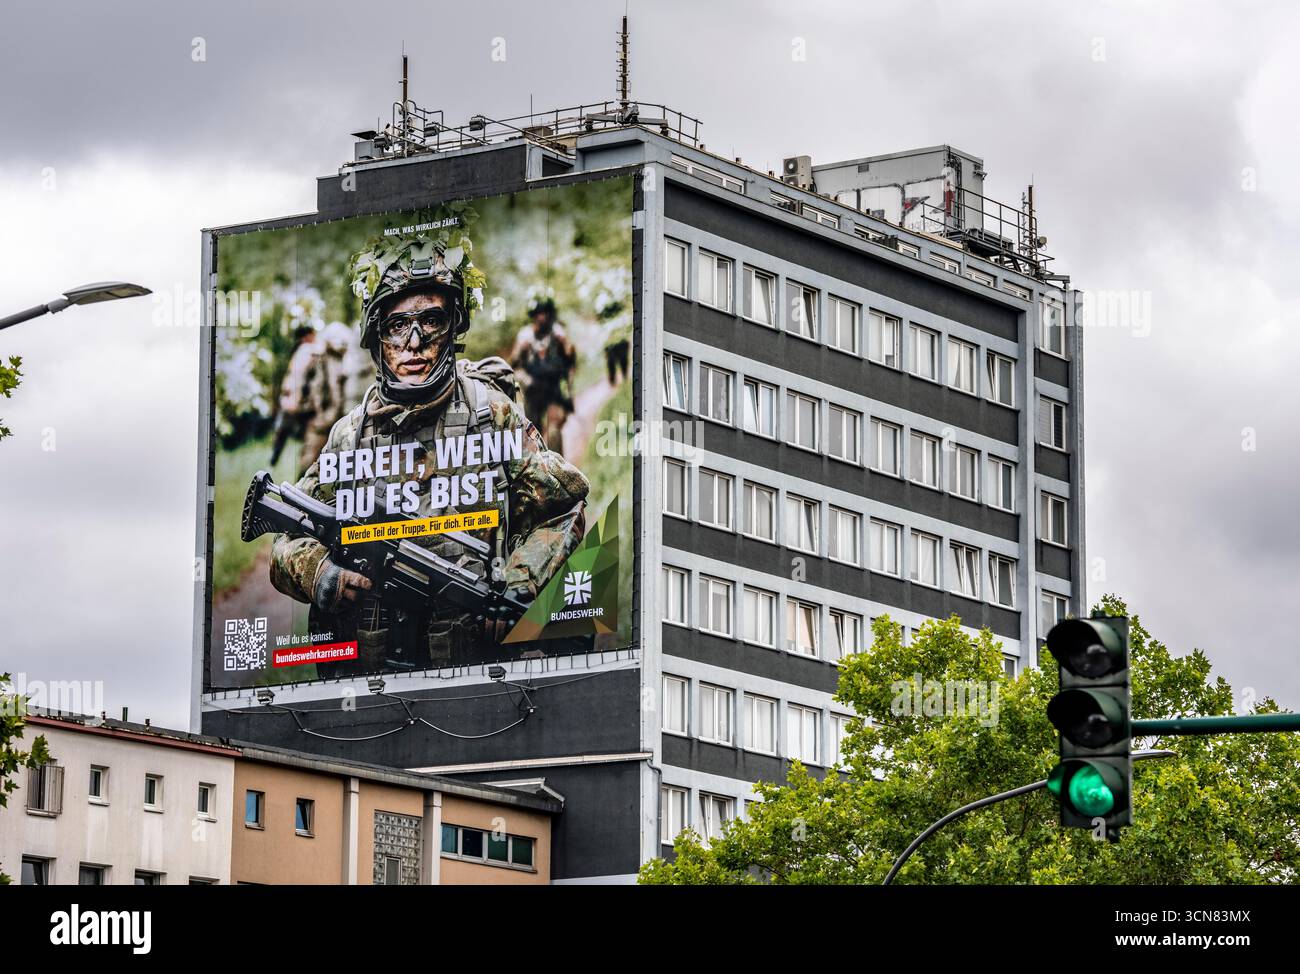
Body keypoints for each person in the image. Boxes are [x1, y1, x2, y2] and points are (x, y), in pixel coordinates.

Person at [268, 232, 589, 673]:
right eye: (398, 326)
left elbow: (566, 508)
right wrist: (320, 574)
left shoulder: (489, 414)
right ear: (377, 337)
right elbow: (287, 538)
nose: (414, 343)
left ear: (452, 326)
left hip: (477, 677)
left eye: (431, 322)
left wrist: (521, 582)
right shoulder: (351, 436)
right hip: (369, 691)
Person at [511, 296, 577, 454]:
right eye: (539, 313)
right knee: (532, 433)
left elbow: (570, 363)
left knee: (554, 431)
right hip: (533, 392)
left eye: (545, 313)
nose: (542, 317)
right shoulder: (525, 336)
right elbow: (513, 365)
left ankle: (558, 471)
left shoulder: (558, 333)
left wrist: (568, 392)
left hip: (553, 391)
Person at [297, 321, 353, 476]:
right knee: (309, 465)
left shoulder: (350, 358)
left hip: (344, 422)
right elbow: (313, 388)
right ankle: (294, 496)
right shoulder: (320, 358)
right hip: (322, 421)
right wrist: (318, 414)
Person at [269, 325, 317, 466]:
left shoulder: (300, 351)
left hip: (294, 398)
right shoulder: (307, 350)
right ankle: (275, 460)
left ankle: (274, 460)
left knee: (283, 433)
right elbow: (298, 376)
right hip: (297, 399)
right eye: (313, 334)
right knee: (291, 432)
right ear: (307, 336)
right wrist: (296, 398)